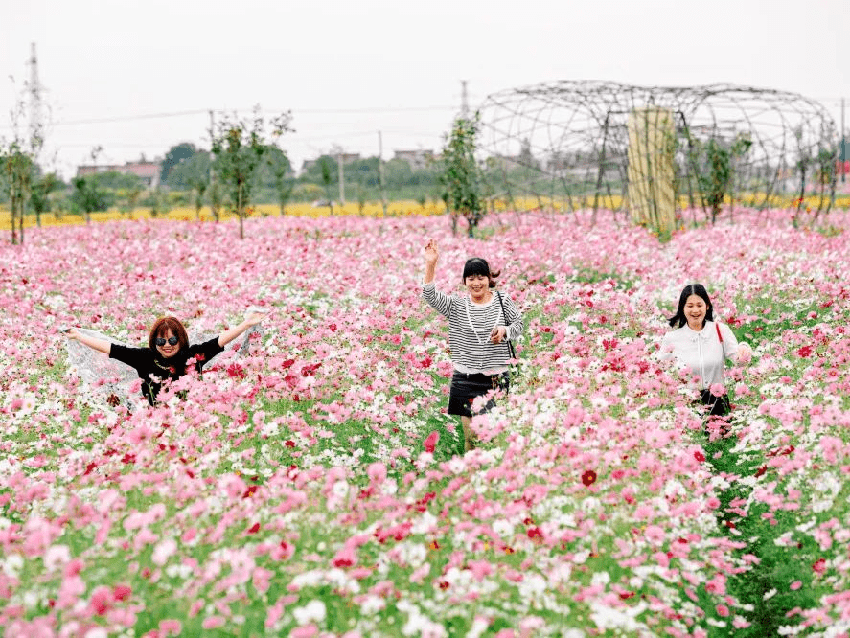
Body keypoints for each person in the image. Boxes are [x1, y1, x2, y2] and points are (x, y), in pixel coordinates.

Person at [422, 239, 523, 452]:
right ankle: (471, 479)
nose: (476, 283)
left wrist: (505, 332)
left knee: (494, 439)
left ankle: (495, 478)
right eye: (471, 278)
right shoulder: (457, 305)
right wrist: (431, 264)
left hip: (496, 379)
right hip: (465, 379)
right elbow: (429, 296)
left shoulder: (503, 301)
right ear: (465, 281)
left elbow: (519, 324)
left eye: (481, 277)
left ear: (489, 279)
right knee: (471, 439)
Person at [65, 310, 268, 405]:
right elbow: (110, 348)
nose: (167, 346)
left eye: (172, 340)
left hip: (192, 414)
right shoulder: (144, 357)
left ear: (181, 340)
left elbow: (219, 342)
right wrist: (79, 336)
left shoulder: (193, 356)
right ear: (154, 342)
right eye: (161, 342)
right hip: (153, 418)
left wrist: (244, 325)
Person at [660, 284, 750, 418]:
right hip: (688, 407)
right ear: (682, 308)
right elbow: (662, 374)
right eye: (690, 306)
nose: (695, 310)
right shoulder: (672, 338)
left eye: (699, 305)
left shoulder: (720, 330)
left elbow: (740, 362)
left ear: (707, 306)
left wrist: (744, 349)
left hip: (718, 403)